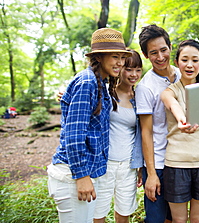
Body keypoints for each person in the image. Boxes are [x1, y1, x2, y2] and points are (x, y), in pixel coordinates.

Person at [47, 28, 131, 223]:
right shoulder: (87, 82)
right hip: (72, 175)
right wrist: (82, 176)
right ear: (99, 57)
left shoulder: (99, 82)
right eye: (115, 57)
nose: (120, 62)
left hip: (85, 173)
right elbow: (74, 135)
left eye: (122, 57)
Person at [160, 40, 199, 223]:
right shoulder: (170, 91)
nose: (189, 65)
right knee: (178, 220)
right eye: (185, 60)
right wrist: (182, 120)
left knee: (198, 219)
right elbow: (173, 105)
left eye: (195, 60)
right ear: (177, 62)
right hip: (177, 164)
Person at [135, 24, 181, 223]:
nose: (160, 57)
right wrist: (151, 174)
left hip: (181, 159)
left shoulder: (183, 75)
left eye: (163, 50)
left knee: (175, 217)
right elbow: (146, 132)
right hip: (159, 162)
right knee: (156, 218)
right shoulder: (145, 87)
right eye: (153, 53)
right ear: (146, 56)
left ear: (170, 47)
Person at [93, 49, 144, 223]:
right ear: (120, 68)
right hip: (104, 164)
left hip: (128, 165)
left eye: (138, 70)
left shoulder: (139, 97)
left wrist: (139, 165)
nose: (133, 74)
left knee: (123, 214)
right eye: (128, 69)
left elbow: (142, 133)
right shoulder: (105, 93)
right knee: (97, 213)